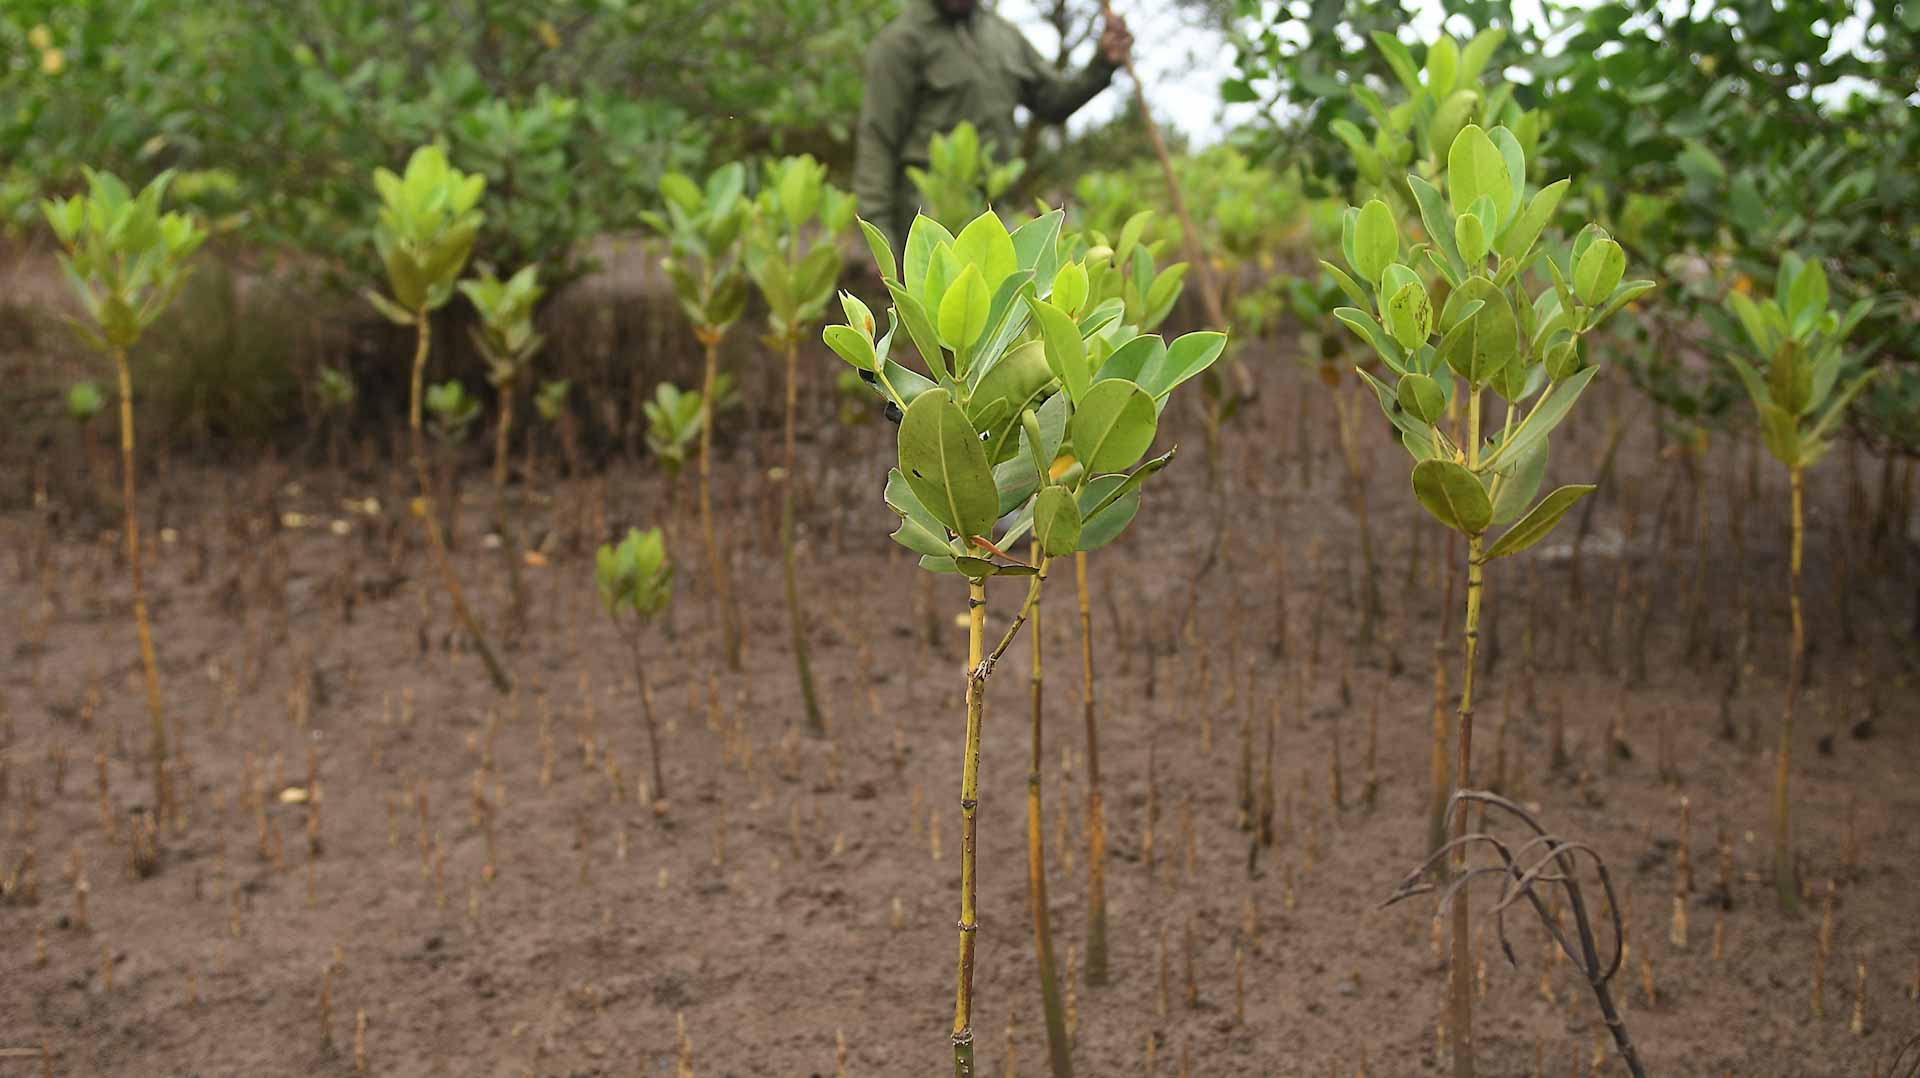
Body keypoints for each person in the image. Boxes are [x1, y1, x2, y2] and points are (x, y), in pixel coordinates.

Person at [854, 0, 1134, 252]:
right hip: (927, 215)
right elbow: (878, 140)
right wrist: (877, 240)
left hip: (997, 208)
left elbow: (1054, 101)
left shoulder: (1003, 35)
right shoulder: (901, 41)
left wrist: (1103, 64)